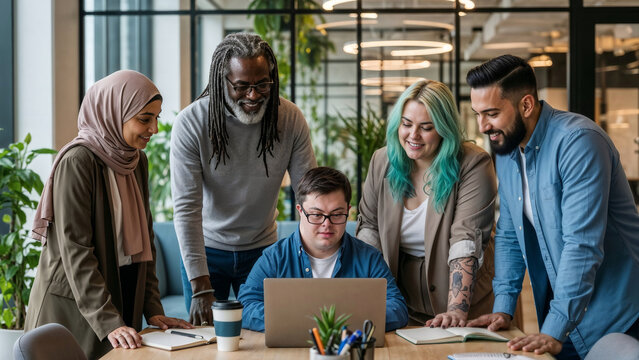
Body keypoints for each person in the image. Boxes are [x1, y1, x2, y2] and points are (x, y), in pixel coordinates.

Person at [465, 54, 639, 359]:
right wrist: (503, 308)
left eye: (491, 113)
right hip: (570, 314)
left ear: (526, 105)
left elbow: (582, 245)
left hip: (621, 313)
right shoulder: (507, 151)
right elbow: (508, 233)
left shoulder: (578, 142)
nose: (482, 126)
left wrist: (553, 328)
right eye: (477, 113)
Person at [26, 70, 192, 359]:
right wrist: (109, 320)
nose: (154, 129)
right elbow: (76, 250)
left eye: (156, 118)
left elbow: (145, 242)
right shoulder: (78, 162)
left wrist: (153, 309)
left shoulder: (136, 161)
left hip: (118, 295)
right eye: (144, 119)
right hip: (73, 309)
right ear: (113, 113)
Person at [171, 32, 317, 326]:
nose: (253, 95)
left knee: (269, 334)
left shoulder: (289, 119)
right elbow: (186, 209)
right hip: (207, 252)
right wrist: (201, 286)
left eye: (262, 84)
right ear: (221, 81)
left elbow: (308, 194)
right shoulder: (192, 122)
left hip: (262, 249)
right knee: (207, 340)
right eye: (241, 86)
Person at [356, 79, 497, 329]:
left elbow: (465, 240)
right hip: (402, 302)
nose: (413, 135)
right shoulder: (382, 160)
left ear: (444, 128)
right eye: (406, 124)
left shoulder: (473, 164)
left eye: (426, 127)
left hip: (467, 305)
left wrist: (456, 309)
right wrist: (369, 296)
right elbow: (369, 230)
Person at [237, 167, 408, 332]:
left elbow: (397, 307)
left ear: (348, 211)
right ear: (300, 211)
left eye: (336, 214)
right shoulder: (274, 257)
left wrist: (339, 325)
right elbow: (245, 305)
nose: (327, 224)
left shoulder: (369, 258)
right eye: (317, 215)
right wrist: (298, 322)